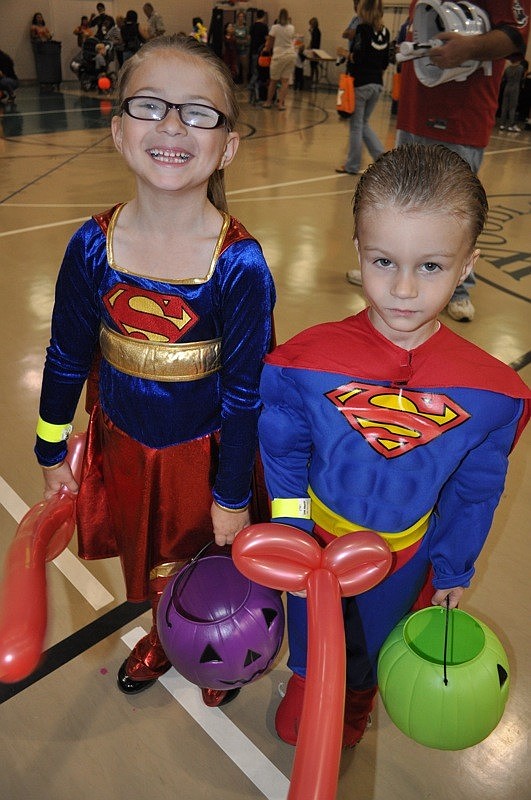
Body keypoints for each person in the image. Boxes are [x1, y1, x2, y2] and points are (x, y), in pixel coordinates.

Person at [257, 144, 530, 748]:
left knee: (370, 653)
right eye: (384, 260)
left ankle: (354, 704)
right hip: (316, 548)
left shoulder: (491, 393)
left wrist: (455, 564)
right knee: (307, 639)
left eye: (431, 267)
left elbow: (476, 487)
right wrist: (295, 529)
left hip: (403, 558)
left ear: (467, 266)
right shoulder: (302, 365)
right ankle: (306, 681)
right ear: (358, 250)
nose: (404, 289)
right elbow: (284, 452)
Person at [35, 34, 275, 708]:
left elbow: (246, 393)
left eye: (198, 112)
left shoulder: (239, 263)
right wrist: (49, 442)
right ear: (118, 130)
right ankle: (162, 635)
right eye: (150, 106)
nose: (172, 125)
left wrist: (231, 493)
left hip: (207, 457)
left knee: (209, 562)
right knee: (146, 565)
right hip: (125, 445)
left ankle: (218, 644)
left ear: (226, 145)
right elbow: (65, 353)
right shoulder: (91, 243)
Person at [392, 0, 530, 322]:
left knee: (456, 211)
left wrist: (469, 48)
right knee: (401, 203)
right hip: (415, 109)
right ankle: (396, 272)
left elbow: (514, 35)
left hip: (461, 115)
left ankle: (459, 287)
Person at [335, 0, 390, 175]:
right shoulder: (385, 32)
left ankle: (352, 165)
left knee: (356, 126)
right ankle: (383, 160)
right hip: (377, 84)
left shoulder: (362, 30)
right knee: (363, 123)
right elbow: (385, 62)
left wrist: (344, 54)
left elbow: (358, 57)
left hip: (361, 83)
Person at [262, 8, 296, 111]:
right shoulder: (291, 27)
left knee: (273, 81)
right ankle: (281, 104)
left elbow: (270, 42)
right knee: (285, 81)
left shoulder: (275, 28)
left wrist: (266, 50)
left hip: (279, 55)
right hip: (290, 55)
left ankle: (268, 102)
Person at [499, 54, 526, 130]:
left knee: (504, 106)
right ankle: (511, 124)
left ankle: (502, 124)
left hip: (507, 86)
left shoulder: (507, 68)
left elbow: (504, 78)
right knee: (512, 107)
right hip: (515, 87)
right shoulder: (520, 68)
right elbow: (522, 77)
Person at [248, 9, 269, 101]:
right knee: (258, 72)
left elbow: (249, 38)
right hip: (260, 53)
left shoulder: (252, 26)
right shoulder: (264, 27)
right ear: (263, 16)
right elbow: (267, 40)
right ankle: (251, 85)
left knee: (254, 70)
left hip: (252, 51)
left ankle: (252, 87)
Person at [234, 10, 250, 84]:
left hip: (244, 49)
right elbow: (233, 38)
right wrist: (238, 41)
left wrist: (241, 41)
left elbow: (248, 39)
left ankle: (245, 82)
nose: (241, 18)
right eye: (240, 16)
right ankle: (236, 82)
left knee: (245, 67)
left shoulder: (246, 28)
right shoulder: (234, 27)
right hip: (235, 49)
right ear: (237, 18)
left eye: (242, 17)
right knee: (236, 66)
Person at [308, 17, 321, 84]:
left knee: (314, 65)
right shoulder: (316, 31)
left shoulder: (316, 31)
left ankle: (313, 79)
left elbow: (314, 41)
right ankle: (313, 79)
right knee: (313, 65)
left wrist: (311, 32)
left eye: (310, 24)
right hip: (315, 50)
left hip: (315, 50)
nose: (310, 26)